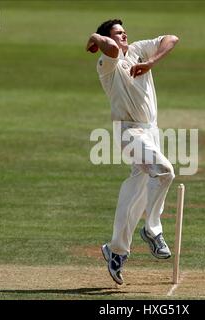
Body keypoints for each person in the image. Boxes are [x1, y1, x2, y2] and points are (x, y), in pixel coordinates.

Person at [86, 19, 179, 285]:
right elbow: (110, 48)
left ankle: (115, 251)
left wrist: (151, 62)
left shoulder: (138, 49)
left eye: (124, 31)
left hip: (151, 131)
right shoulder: (108, 63)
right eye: (117, 32)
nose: (123, 34)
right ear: (108, 40)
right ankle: (152, 230)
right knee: (164, 171)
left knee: (136, 191)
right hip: (129, 132)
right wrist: (95, 36)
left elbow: (171, 38)